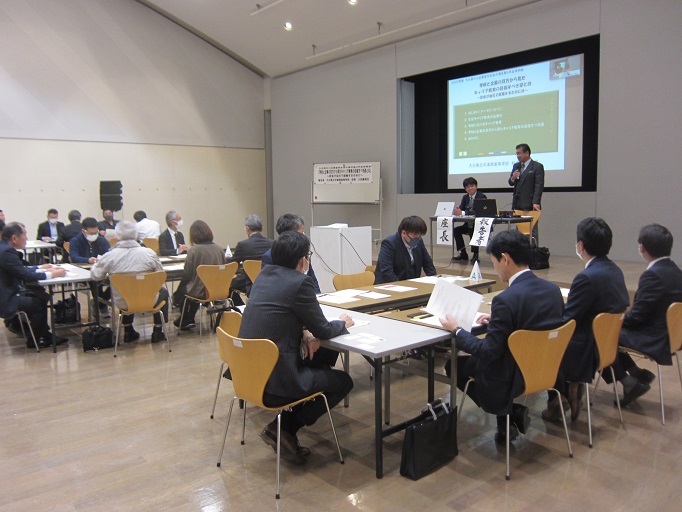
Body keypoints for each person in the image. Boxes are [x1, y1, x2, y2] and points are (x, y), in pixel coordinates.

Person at [238, 230, 354, 465]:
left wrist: (304, 330)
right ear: (303, 260)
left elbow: (280, 312)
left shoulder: (264, 275)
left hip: (248, 374)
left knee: (321, 355)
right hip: (277, 380)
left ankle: (284, 425)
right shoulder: (300, 282)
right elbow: (324, 330)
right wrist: (342, 323)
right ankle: (285, 427)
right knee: (343, 381)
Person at [440, 230, 564, 444]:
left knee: (454, 365)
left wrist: (457, 330)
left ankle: (508, 412)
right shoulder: (553, 290)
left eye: (494, 262)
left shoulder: (506, 300)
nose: (495, 268)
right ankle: (506, 422)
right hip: (546, 370)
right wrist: (498, 321)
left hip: (512, 377)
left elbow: (488, 352)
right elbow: (532, 324)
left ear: (505, 259)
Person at [545, 218, 629, 423]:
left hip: (585, 348)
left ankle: (560, 396)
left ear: (580, 245)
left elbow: (568, 320)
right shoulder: (614, 270)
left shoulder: (587, 277)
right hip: (607, 345)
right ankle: (566, 392)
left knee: (542, 342)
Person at [602, 224, 682, 405]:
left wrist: (613, 321)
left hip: (654, 337)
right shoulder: (677, 272)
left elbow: (636, 317)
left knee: (601, 334)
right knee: (608, 332)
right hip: (671, 335)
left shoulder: (653, 275)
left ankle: (628, 381)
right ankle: (636, 372)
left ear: (642, 248)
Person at [90, 220, 168, 343]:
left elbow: (96, 276)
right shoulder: (149, 253)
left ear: (116, 237)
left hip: (123, 302)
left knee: (124, 290)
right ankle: (158, 331)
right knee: (163, 292)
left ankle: (128, 330)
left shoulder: (110, 256)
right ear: (137, 236)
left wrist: (95, 264)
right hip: (149, 300)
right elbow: (160, 274)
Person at [0, 222, 68, 348]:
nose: (26, 238)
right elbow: (25, 276)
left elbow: (19, 269)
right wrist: (52, 274)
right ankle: (37, 338)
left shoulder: (3, 248)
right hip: (5, 298)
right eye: (24, 235)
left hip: (7, 292)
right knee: (38, 302)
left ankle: (42, 334)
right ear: (14, 238)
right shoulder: (7, 252)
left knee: (40, 293)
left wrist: (41, 268)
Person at [173, 220, 225, 330]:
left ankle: (186, 318)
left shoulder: (194, 250)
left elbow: (188, 273)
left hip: (200, 290)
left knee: (183, 289)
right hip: (218, 289)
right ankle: (187, 318)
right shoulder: (219, 249)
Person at [262, 213, 320, 293]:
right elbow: (272, 287)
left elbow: (313, 280)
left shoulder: (303, 253)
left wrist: (317, 296)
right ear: (290, 235)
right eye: (301, 233)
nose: (304, 236)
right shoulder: (269, 256)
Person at [375, 215, 437, 284]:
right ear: (404, 233)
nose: (417, 238)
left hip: (411, 284)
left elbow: (427, 263)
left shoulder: (419, 242)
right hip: (389, 285)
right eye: (414, 235)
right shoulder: (389, 243)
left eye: (420, 236)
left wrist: (434, 280)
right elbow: (386, 271)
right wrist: (399, 286)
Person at [227, 213, 273, 296]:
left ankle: (237, 304)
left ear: (247, 228)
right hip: (269, 281)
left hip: (250, 282)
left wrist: (226, 258)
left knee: (230, 284)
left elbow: (233, 264)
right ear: (262, 228)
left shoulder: (243, 245)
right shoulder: (272, 243)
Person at [508, 143, 544, 241]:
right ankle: (520, 249)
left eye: (519, 153)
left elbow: (539, 186)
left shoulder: (537, 166)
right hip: (518, 204)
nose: (518, 156)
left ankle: (533, 250)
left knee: (532, 230)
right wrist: (513, 177)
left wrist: (536, 202)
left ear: (527, 153)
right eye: (516, 154)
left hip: (530, 204)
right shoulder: (516, 166)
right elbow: (510, 182)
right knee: (519, 230)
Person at [452, 177, 488, 264]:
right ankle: (463, 253)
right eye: (468, 187)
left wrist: (463, 212)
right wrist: (457, 211)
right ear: (465, 189)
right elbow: (461, 209)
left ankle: (475, 254)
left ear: (476, 186)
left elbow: (479, 211)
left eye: (472, 186)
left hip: (478, 224)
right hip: (468, 224)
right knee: (456, 231)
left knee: (472, 230)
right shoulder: (465, 197)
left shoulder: (481, 196)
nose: (470, 188)